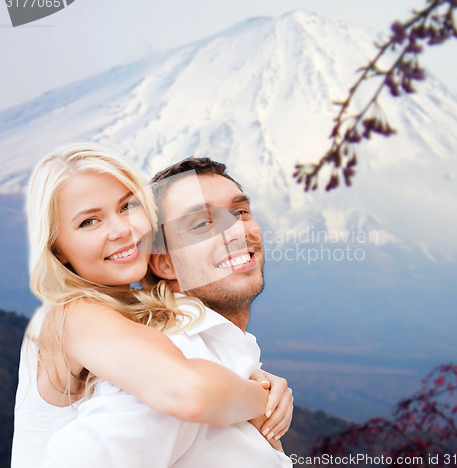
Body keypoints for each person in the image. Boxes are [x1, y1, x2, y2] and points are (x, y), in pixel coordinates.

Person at [12, 144, 292, 468]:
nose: (121, 230)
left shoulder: (141, 321)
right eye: (88, 221)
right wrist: (262, 398)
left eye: (128, 205)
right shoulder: (72, 314)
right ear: (57, 249)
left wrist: (245, 373)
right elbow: (188, 391)